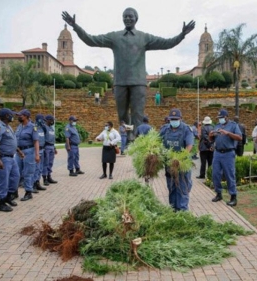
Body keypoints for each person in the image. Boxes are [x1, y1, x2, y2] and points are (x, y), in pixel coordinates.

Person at [62, 8, 195, 137]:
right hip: (120, 82)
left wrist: (182, 35)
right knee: (122, 114)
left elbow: (167, 43)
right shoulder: (115, 37)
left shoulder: (144, 37)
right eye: (125, 16)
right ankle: (126, 138)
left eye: (130, 16)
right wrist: (75, 26)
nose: (127, 18)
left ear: (136, 19)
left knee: (138, 114)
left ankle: (137, 140)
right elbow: (91, 40)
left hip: (138, 82)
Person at [160, 108, 194, 211]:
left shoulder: (186, 129)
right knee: (171, 188)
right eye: (172, 119)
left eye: (176, 119)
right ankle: (173, 210)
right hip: (169, 165)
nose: (173, 121)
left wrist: (180, 158)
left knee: (182, 188)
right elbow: (157, 141)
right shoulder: (165, 129)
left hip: (181, 164)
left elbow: (189, 145)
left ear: (180, 118)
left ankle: (183, 212)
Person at [210, 109, 242, 207]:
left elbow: (239, 137)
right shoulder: (217, 126)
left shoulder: (233, 125)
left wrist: (227, 133)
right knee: (215, 174)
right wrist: (210, 135)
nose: (220, 119)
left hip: (228, 153)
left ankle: (233, 197)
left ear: (226, 117)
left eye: (221, 118)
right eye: (219, 118)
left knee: (229, 175)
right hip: (217, 152)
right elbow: (212, 139)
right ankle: (218, 193)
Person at [0, 108, 20, 212]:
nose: (13, 116)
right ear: (6, 116)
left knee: (15, 177)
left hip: (11, 157)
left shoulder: (8, 127)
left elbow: (11, 141)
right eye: (11, 114)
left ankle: (8, 197)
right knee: (3, 181)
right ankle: (1, 203)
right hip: (3, 158)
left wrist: (18, 151)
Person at [15, 109, 40, 202]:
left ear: (26, 116)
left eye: (20, 115)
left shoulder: (32, 127)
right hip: (18, 152)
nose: (18, 117)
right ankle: (14, 192)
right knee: (16, 172)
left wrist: (37, 155)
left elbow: (36, 141)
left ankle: (28, 192)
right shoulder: (19, 126)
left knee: (27, 173)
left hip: (29, 151)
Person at [31, 114, 47, 192]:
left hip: (42, 149)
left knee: (40, 168)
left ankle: (37, 182)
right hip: (36, 150)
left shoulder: (42, 128)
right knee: (36, 168)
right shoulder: (34, 128)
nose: (44, 121)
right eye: (42, 120)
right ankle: (33, 184)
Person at [43, 115, 58, 185]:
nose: (53, 122)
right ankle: (44, 178)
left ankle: (49, 176)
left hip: (51, 146)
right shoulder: (44, 127)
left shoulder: (51, 128)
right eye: (52, 120)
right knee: (45, 163)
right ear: (48, 120)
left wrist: (54, 148)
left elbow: (52, 139)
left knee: (50, 163)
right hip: (46, 147)